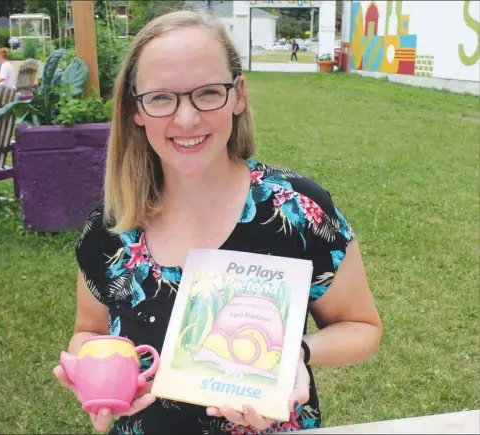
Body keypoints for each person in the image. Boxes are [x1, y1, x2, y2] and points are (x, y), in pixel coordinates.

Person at [53, 10, 382, 435]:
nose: (186, 119)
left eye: (208, 93)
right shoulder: (111, 227)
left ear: (238, 95)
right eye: (161, 97)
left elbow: (361, 327)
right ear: (136, 109)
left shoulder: (298, 210)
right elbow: (89, 333)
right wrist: (93, 374)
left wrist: (295, 353)